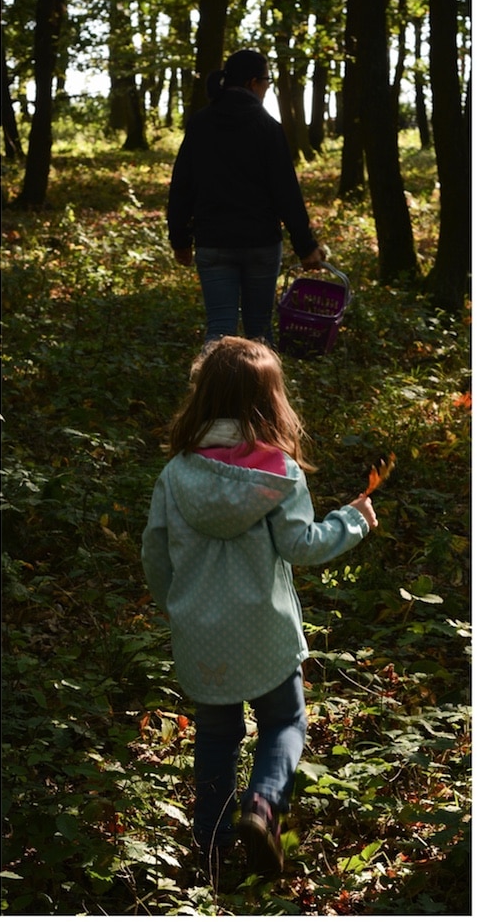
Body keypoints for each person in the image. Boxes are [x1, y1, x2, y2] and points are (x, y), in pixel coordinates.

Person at [140, 337, 376, 876]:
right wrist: (354, 520)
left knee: (217, 738)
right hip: (265, 631)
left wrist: (173, 605)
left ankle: (213, 849)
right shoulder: (279, 473)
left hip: (201, 630)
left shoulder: (177, 474)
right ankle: (264, 805)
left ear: (203, 398)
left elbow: (155, 551)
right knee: (286, 722)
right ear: (271, 402)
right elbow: (301, 546)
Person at [167, 49, 325, 344]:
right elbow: (286, 193)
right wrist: (306, 247)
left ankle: (213, 389)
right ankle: (262, 390)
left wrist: (180, 240)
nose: (268, 87)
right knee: (258, 332)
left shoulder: (200, 124)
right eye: (267, 80)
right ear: (254, 82)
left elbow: (181, 186)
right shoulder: (268, 128)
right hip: (261, 243)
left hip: (213, 242)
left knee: (219, 332)